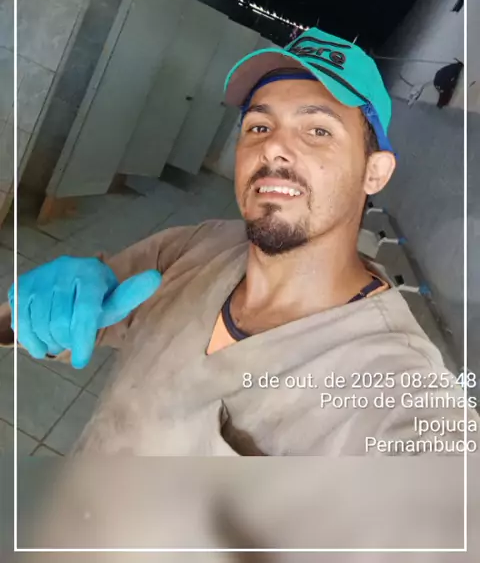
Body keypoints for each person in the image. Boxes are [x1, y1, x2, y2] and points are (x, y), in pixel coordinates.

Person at [0, 27, 477, 457]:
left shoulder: (396, 387)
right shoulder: (195, 247)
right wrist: (31, 313)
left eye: (318, 130)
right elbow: (71, 320)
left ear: (374, 172)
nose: (273, 147)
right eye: (259, 126)